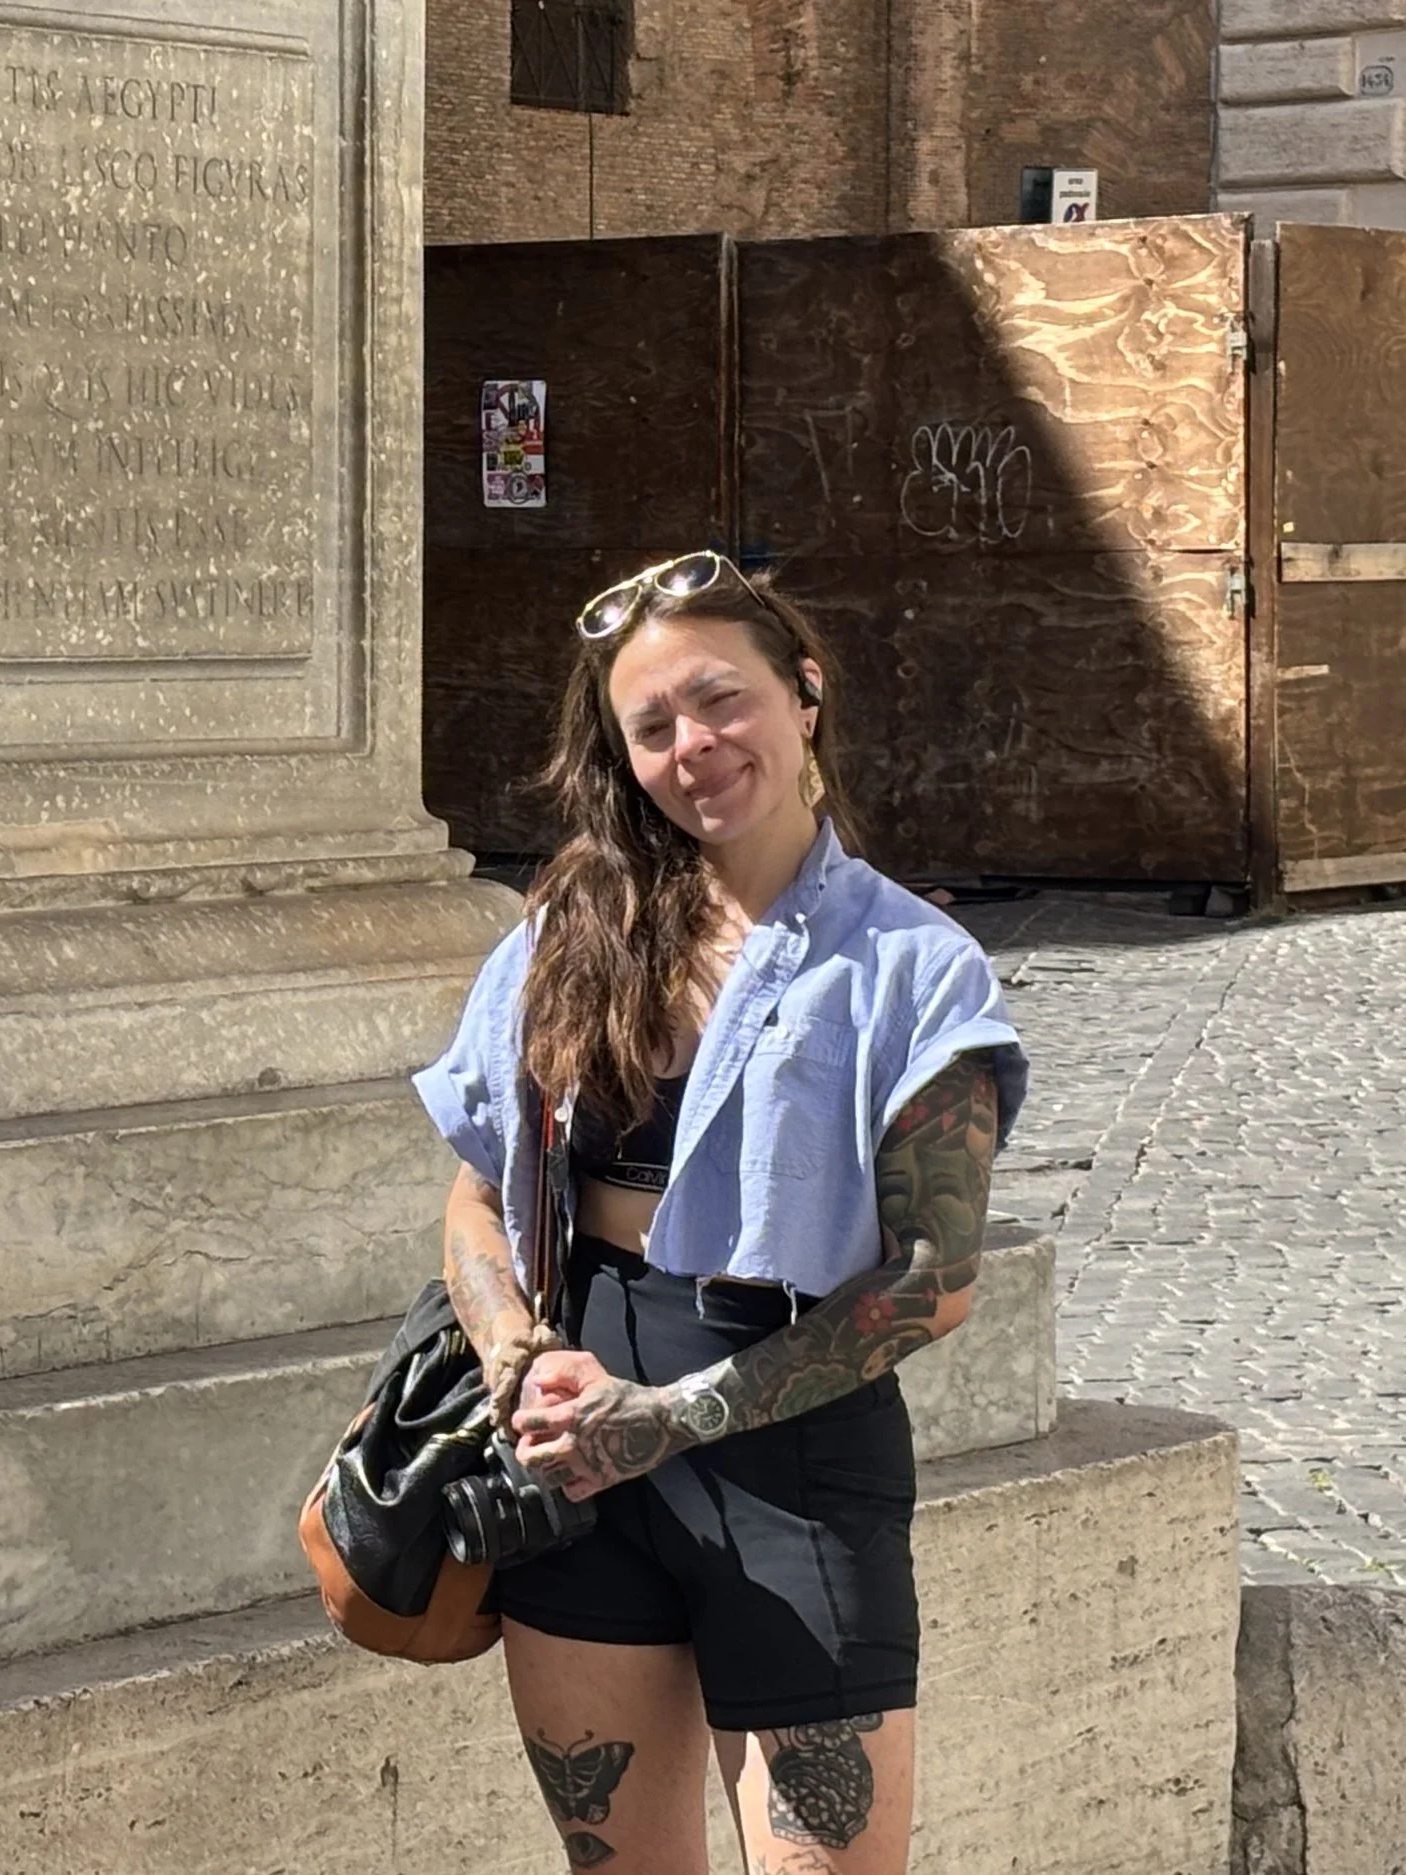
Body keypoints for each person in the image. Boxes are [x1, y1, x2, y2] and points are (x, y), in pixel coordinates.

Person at [412, 552, 1028, 1874]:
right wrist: (520, 1357)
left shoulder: (913, 966)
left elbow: (934, 1278)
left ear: (804, 695)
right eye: (653, 726)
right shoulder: (570, 934)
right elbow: (475, 1190)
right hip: (577, 1427)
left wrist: (675, 1416)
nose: (695, 746)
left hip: (792, 1440)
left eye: (721, 699)